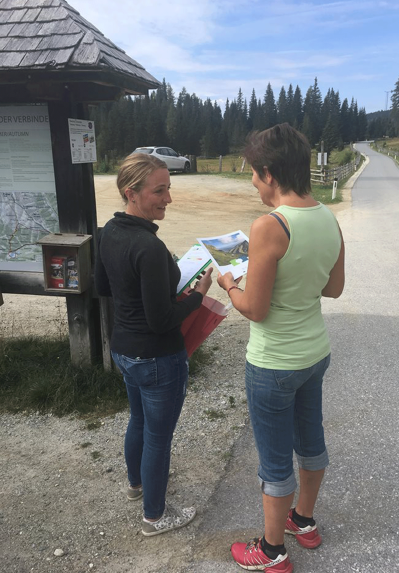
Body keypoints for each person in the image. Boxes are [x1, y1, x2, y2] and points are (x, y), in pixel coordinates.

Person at [217, 123, 345, 572]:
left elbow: (254, 308)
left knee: (274, 460)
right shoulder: (328, 215)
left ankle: (271, 552)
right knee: (311, 441)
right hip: (314, 353)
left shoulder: (269, 225)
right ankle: (304, 522)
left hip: (273, 362)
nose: (252, 181)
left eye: (253, 173)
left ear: (269, 173)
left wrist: (230, 282)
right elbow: (334, 289)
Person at [95, 153, 213, 537]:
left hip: (124, 349)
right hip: (159, 356)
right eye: (158, 190)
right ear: (131, 193)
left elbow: (102, 288)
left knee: (140, 421)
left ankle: (136, 485)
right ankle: (155, 516)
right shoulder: (148, 246)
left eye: (169, 188)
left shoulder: (109, 232)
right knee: (158, 440)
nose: (168, 198)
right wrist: (197, 294)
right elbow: (162, 319)